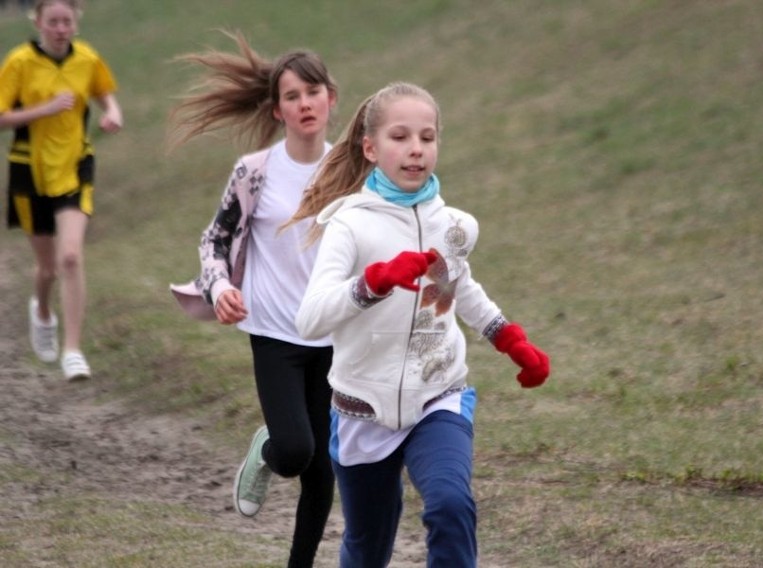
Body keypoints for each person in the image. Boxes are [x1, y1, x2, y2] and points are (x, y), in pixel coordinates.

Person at [288, 82, 550, 568]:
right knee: (368, 549)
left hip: (438, 393)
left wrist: (510, 340)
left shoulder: (451, 226)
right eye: (400, 137)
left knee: (451, 505)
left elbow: (459, 287)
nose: (415, 149)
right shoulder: (349, 225)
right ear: (370, 148)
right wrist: (375, 281)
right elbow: (311, 318)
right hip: (363, 408)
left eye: (427, 138)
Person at [167, 31, 338, 568]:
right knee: (293, 451)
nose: (305, 103)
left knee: (322, 469)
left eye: (313, 92)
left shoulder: (353, 170)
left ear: (332, 98)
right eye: (293, 96)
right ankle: (266, 449)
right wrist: (221, 288)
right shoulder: (255, 172)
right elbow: (213, 240)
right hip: (274, 332)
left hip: (335, 335)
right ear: (277, 110)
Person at [0, 0, 123, 381]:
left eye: (66, 21)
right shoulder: (19, 62)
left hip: (75, 167)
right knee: (48, 266)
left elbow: (104, 90)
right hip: (29, 169)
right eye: (52, 21)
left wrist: (112, 112)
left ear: (76, 24)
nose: (59, 28)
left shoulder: (87, 58)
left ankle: (73, 351)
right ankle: (41, 311)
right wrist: (45, 109)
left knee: (70, 256)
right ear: (38, 22)